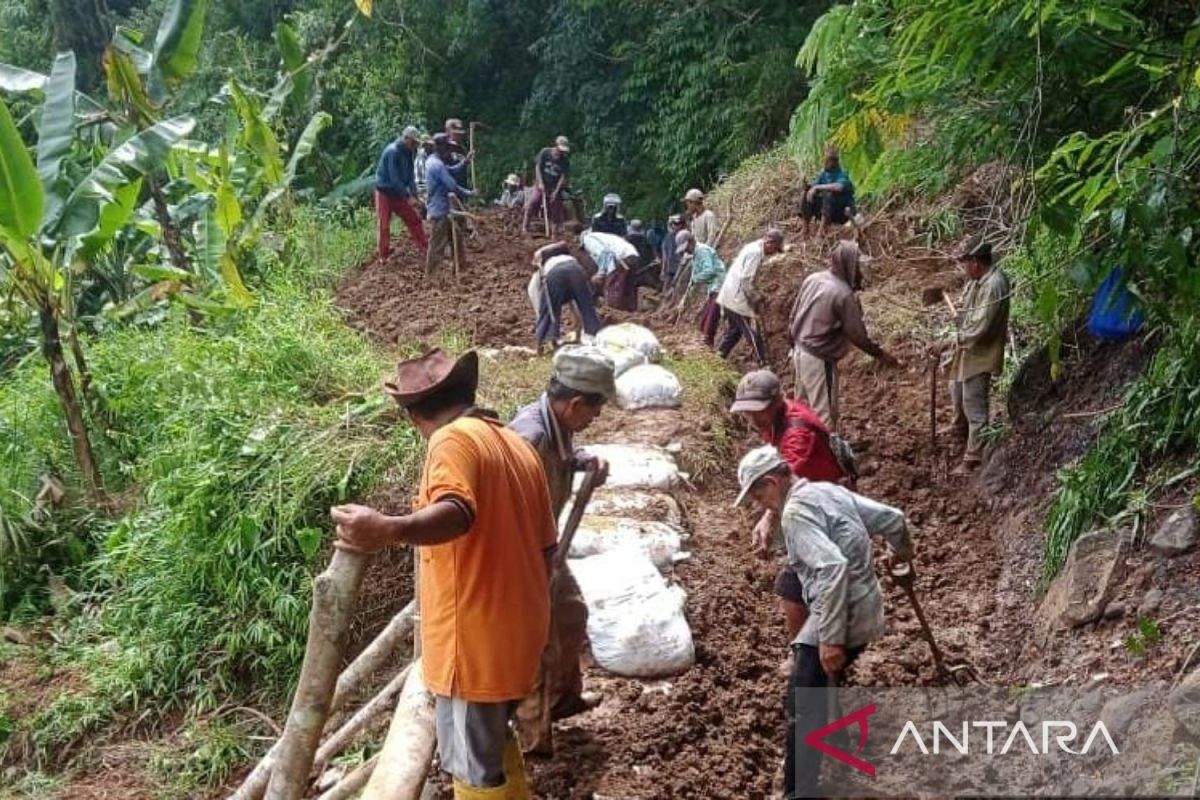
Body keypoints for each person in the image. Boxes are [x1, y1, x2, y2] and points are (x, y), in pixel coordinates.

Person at [331, 348, 555, 799]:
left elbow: (457, 511)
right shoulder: (516, 445)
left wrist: (385, 530)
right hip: (519, 633)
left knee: (472, 769)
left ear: (415, 418)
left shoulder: (451, 441)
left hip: (472, 642)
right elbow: (547, 547)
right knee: (493, 745)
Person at [734, 445, 914, 800]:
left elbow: (832, 570)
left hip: (845, 610)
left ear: (772, 482)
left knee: (803, 695)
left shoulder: (795, 514)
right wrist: (902, 553)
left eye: (758, 495)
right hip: (863, 600)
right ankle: (833, 731)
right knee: (811, 677)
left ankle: (798, 792)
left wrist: (830, 639)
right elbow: (893, 519)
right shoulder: (826, 490)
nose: (760, 506)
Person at [509, 346, 615, 755]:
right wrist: (533, 566)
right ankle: (535, 740)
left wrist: (581, 460)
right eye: (596, 407)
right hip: (520, 559)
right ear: (574, 403)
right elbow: (505, 513)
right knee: (537, 645)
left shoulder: (558, 425)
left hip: (546, 549)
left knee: (571, 613)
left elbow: (562, 458)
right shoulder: (529, 438)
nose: (599, 416)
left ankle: (563, 700)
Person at [728, 370, 845, 650]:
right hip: (811, 498)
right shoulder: (778, 420)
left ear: (778, 401)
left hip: (823, 508)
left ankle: (807, 650)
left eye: (759, 412)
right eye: (748, 413)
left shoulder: (797, 433)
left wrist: (768, 519)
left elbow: (784, 481)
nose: (754, 420)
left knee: (791, 586)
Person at [789, 239, 901, 430]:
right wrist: (881, 355)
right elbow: (857, 335)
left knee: (801, 407)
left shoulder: (813, 279)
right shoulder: (842, 294)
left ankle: (795, 450)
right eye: (857, 265)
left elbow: (793, 315)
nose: (859, 271)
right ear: (848, 264)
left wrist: (794, 345)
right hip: (818, 359)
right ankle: (828, 455)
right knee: (824, 414)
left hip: (799, 351)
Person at [932, 236, 1010, 474]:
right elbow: (968, 317)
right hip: (968, 350)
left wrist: (946, 342)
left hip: (982, 352)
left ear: (976, 262)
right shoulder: (977, 282)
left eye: (966, 263)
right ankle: (959, 430)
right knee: (956, 391)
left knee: (974, 403)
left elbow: (979, 329)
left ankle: (973, 457)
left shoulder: (994, 284)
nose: (964, 269)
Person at [716, 228, 784, 364]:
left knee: (735, 331)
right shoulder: (756, 253)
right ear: (769, 243)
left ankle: (719, 356)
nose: (774, 253)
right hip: (736, 299)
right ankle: (763, 363)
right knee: (752, 333)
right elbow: (746, 281)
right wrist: (756, 298)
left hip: (729, 293)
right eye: (775, 249)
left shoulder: (753, 246)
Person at [527, 242, 604, 353]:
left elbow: (544, 308)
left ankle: (542, 345)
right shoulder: (567, 257)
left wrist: (542, 322)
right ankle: (596, 336)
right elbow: (575, 306)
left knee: (549, 310)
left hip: (556, 275)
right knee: (586, 305)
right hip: (577, 270)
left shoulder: (538, 276)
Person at [374, 125, 428, 260]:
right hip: (385, 192)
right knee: (384, 225)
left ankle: (425, 249)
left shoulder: (409, 153)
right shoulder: (392, 151)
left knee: (414, 219)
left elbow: (410, 177)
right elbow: (394, 179)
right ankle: (383, 255)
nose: (415, 145)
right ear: (406, 139)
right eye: (413, 142)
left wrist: (416, 196)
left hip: (398, 193)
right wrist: (407, 197)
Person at [424, 134, 474, 277]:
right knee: (437, 245)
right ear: (440, 148)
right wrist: (470, 193)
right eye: (448, 148)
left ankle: (461, 270)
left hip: (442, 209)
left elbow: (450, 170)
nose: (450, 152)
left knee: (456, 239)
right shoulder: (436, 165)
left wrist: (465, 162)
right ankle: (431, 276)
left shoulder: (434, 160)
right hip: (439, 211)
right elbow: (452, 185)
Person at [675, 230, 726, 346]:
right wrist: (685, 300)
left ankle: (707, 346)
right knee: (704, 323)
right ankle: (704, 344)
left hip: (720, 287)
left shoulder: (702, 250)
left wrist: (695, 279)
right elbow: (694, 277)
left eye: (686, 247)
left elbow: (710, 271)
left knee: (710, 321)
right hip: (713, 288)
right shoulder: (696, 254)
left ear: (691, 242)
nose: (686, 251)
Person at [580, 226, 641, 312]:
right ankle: (631, 312)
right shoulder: (605, 237)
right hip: (633, 256)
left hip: (623, 258)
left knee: (611, 287)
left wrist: (601, 273)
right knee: (628, 287)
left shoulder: (588, 239)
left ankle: (612, 314)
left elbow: (605, 253)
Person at [802, 146, 856, 236]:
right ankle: (805, 228)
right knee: (805, 194)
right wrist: (808, 187)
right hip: (827, 211)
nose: (825, 163)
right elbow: (814, 187)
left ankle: (821, 232)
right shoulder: (823, 174)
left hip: (842, 213)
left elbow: (839, 187)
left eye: (827, 160)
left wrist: (818, 187)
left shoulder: (842, 173)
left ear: (834, 162)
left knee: (829, 195)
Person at [523, 136, 571, 234]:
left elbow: (562, 177)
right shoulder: (545, 152)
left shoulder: (565, 161)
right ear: (556, 146)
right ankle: (525, 226)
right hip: (541, 184)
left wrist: (556, 191)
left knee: (555, 208)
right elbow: (537, 168)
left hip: (554, 187)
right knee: (534, 201)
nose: (561, 152)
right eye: (560, 150)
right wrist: (540, 182)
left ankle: (554, 233)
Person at [660, 214, 685, 289]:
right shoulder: (668, 237)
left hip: (681, 268)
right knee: (666, 288)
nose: (677, 226)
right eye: (675, 224)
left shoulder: (684, 236)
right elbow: (665, 254)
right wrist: (663, 269)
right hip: (670, 267)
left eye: (678, 224)